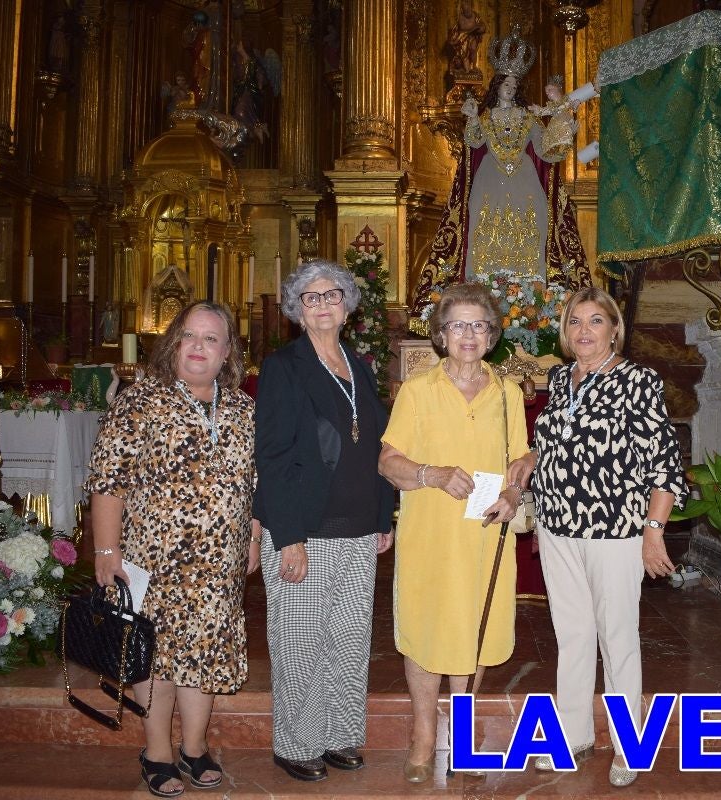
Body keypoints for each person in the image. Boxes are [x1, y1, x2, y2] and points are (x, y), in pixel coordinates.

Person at [85, 300, 259, 798]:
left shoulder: (243, 409)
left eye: (211, 339)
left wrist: (252, 533)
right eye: (189, 336)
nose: (199, 347)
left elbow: (255, 482)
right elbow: (107, 481)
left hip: (218, 564)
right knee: (154, 656)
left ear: (228, 352)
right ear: (174, 344)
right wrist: (105, 552)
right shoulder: (140, 401)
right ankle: (158, 750)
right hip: (152, 561)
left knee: (204, 653)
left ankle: (196, 745)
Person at [530, 286, 686, 788]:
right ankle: (572, 735)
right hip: (558, 528)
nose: (583, 331)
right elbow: (550, 449)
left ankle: (629, 746)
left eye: (595, 321)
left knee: (617, 638)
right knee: (572, 637)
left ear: (615, 329)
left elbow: (665, 461)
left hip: (614, 529)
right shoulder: (560, 378)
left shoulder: (638, 380)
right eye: (575, 321)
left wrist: (654, 532)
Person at [379, 282, 534, 783]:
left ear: (492, 336)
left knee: (478, 625)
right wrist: (433, 474)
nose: (469, 334)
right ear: (441, 335)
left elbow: (519, 459)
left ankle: (462, 731)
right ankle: (423, 733)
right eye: (458, 325)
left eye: (479, 325)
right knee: (427, 629)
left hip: (486, 533)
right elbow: (388, 462)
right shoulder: (418, 390)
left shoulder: (508, 392)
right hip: (430, 533)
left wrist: (514, 493)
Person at [254, 260, 395, 783]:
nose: (321, 304)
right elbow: (270, 456)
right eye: (309, 298)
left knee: (349, 639)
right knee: (298, 640)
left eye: (330, 295)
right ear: (296, 309)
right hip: (305, 529)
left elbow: (377, 444)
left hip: (359, 528)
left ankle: (338, 736)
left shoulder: (358, 365)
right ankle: (296, 744)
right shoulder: (283, 366)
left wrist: (384, 514)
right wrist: (286, 536)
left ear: (347, 304)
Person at [407, 26, 590, 334]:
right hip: (489, 182)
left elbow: (546, 150)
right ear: (497, 85)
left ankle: (530, 305)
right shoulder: (486, 115)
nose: (509, 87)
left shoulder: (529, 118)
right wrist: (471, 117)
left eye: (514, 83)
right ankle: (482, 303)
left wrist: (563, 127)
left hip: (525, 184)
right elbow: (474, 143)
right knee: (482, 231)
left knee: (530, 232)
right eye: (505, 82)